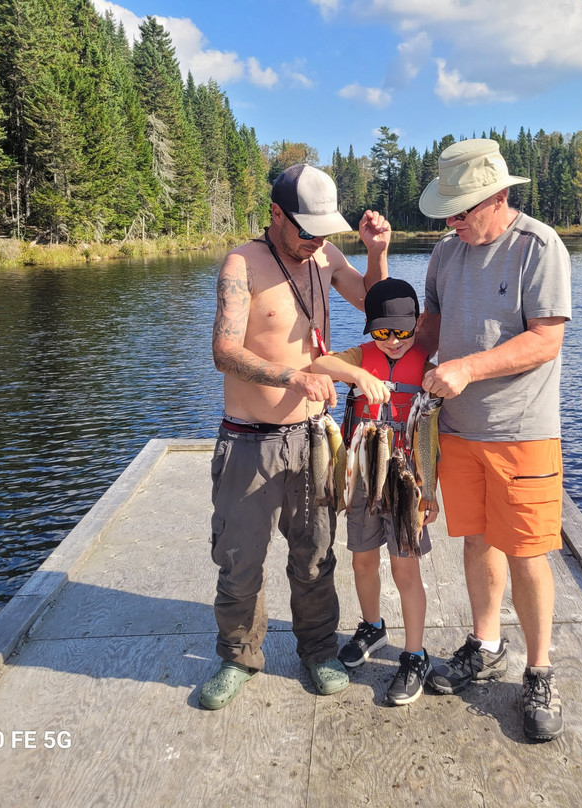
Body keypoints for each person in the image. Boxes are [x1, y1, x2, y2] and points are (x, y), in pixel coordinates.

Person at [200, 164, 391, 710]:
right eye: (306, 230)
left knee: (315, 555)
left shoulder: (326, 256)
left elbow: (372, 301)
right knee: (240, 559)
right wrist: (293, 375)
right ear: (277, 215)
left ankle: (318, 651)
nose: (316, 242)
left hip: (313, 438)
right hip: (248, 442)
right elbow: (224, 351)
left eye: (325, 231)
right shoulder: (243, 263)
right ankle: (238, 656)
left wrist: (375, 251)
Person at [414, 139, 572, 742]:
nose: (452, 221)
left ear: (498, 197)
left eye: (461, 210)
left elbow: (545, 339)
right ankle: (486, 644)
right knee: (478, 540)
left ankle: (539, 669)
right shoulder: (445, 255)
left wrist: (469, 369)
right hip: (456, 432)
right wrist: (389, 350)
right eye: (448, 212)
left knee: (528, 550)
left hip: (521, 433)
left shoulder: (538, 246)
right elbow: (429, 328)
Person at [309, 278, 438, 706]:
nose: (394, 341)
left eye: (403, 332)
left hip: (408, 481)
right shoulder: (361, 357)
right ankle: (372, 626)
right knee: (362, 561)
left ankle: (415, 654)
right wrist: (358, 374)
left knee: (405, 570)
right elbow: (319, 366)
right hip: (363, 476)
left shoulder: (428, 361)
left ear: (417, 326)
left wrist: (432, 493)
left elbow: (437, 439)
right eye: (383, 333)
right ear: (371, 331)